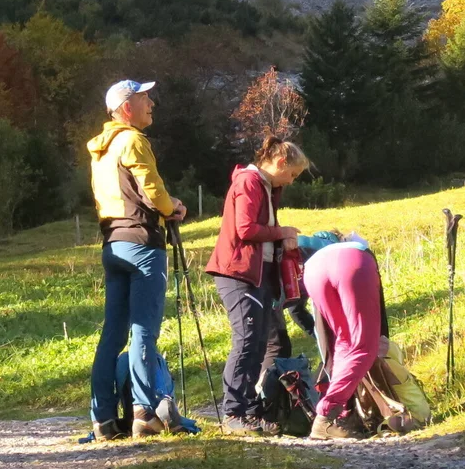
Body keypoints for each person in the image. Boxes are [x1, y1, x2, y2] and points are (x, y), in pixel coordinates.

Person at [86, 79, 188, 440]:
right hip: (143, 243)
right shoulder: (132, 140)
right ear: (127, 107)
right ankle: (144, 413)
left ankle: (103, 419)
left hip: (113, 243)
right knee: (144, 330)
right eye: (145, 98)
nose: (152, 103)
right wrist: (171, 206)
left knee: (112, 334)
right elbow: (151, 188)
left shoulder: (101, 148)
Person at [206, 138, 310, 436]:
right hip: (237, 271)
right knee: (247, 340)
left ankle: (250, 410)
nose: (291, 181)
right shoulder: (249, 182)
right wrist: (283, 232)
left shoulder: (267, 186)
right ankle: (233, 412)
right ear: (279, 163)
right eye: (292, 174)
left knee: (260, 341)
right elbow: (245, 228)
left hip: (260, 273)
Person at [302, 233, 385, 440]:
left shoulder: (327, 248)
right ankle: (326, 415)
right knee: (364, 346)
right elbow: (379, 321)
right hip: (353, 265)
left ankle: (342, 416)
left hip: (312, 269)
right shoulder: (360, 248)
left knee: (343, 342)